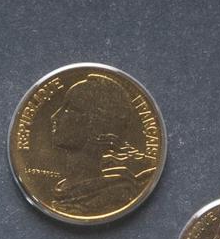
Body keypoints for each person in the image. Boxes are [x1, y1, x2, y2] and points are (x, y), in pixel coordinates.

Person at [48, 73, 154, 213]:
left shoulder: (112, 198)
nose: (54, 116)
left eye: (70, 109)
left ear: (98, 125)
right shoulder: (64, 190)